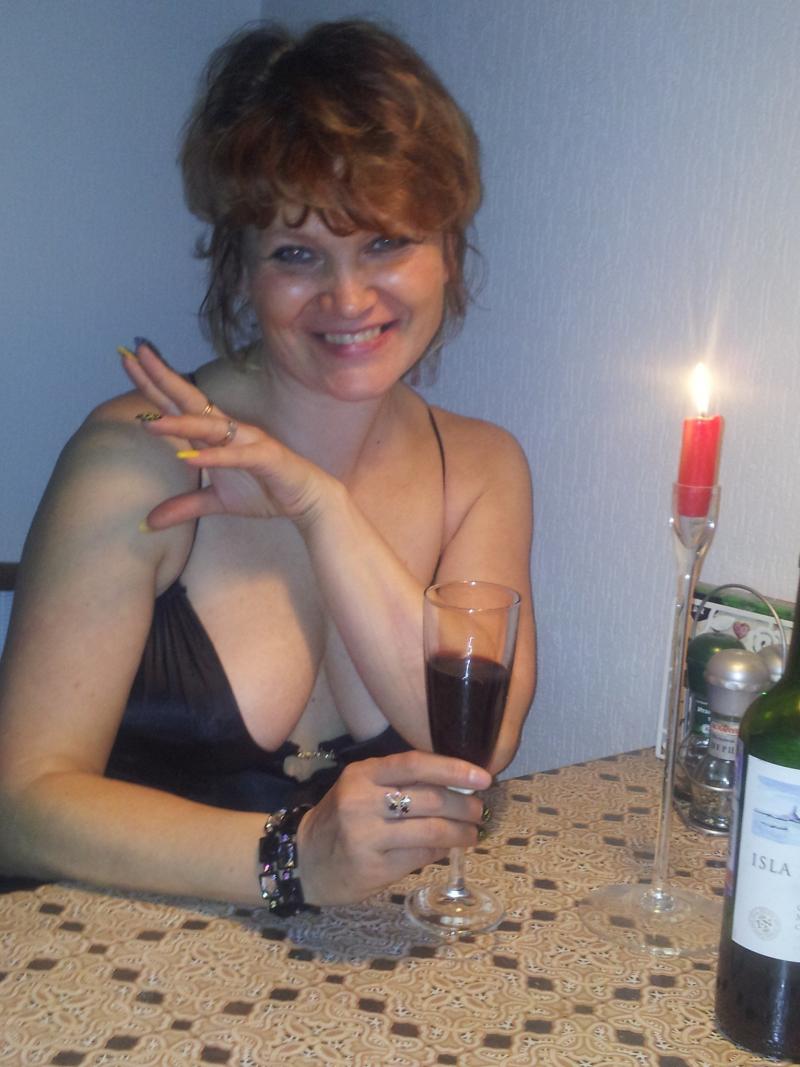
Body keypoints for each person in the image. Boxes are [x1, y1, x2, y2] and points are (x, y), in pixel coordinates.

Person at [0, 19, 535, 912]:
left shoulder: (481, 469)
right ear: (241, 270)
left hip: (349, 968)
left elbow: (479, 748)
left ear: (447, 249)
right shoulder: (138, 455)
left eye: (385, 242)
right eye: (296, 254)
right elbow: (19, 805)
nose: (348, 296)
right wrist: (292, 858)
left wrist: (322, 510)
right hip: (101, 954)